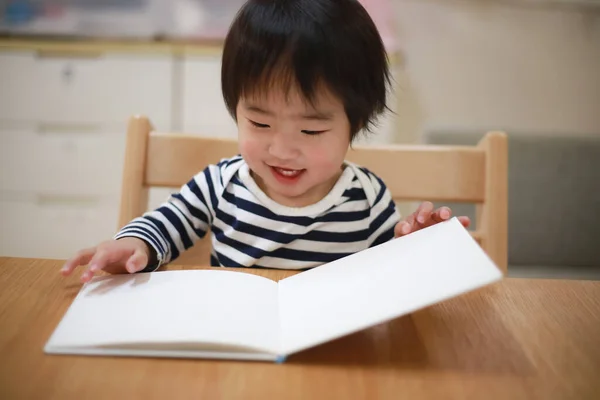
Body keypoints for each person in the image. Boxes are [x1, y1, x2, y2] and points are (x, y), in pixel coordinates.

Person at [62, 0, 469, 283]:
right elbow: (166, 225)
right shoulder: (220, 184)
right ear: (236, 110)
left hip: (333, 359)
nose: (281, 150)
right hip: (233, 344)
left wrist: (416, 250)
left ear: (354, 124)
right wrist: (132, 245)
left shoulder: (368, 200)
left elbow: (392, 279)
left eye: (310, 131)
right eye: (259, 123)